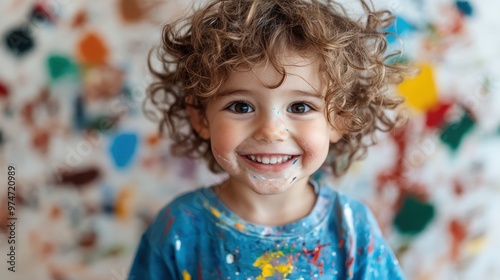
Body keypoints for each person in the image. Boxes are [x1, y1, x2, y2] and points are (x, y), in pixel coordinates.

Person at [129, 0, 410, 279]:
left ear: (339, 118)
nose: (270, 130)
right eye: (241, 106)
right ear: (201, 118)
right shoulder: (178, 227)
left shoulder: (352, 228)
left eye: (300, 107)